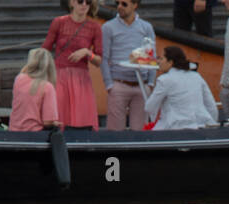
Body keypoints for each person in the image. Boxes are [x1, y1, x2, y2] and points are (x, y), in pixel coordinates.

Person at [41, 0, 104, 130]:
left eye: (88, 2)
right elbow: (45, 50)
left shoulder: (94, 27)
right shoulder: (59, 22)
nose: (84, 5)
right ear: (71, 3)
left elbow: (99, 60)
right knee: (59, 116)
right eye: (80, 1)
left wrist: (87, 52)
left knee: (82, 121)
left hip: (81, 79)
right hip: (60, 76)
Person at [102, 0, 156, 131]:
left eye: (124, 4)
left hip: (141, 85)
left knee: (140, 134)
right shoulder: (108, 27)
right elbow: (104, 57)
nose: (119, 7)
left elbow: (152, 56)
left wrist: (150, 84)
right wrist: (109, 85)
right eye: (117, 3)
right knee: (115, 134)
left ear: (135, 5)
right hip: (118, 84)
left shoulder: (146, 27)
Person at [145, 46, 218, 129]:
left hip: (175, 128)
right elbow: (211, 106)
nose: (158, 62)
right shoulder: (196, 76)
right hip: (201, 126)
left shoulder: (164, 80)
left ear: (170, 62)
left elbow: (149, 107)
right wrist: (212, 125)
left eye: (161, 59)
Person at [10, 48, 60, 132]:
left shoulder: (19, 79)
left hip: (14, 131)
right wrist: (54, 123)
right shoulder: (47, 87)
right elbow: (48, 122)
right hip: (35, 133)